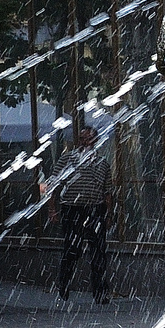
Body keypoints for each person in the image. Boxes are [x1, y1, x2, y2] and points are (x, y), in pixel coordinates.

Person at [47, 125, 111, 305]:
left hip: (94, 208)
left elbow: (107, 191)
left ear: (96, 140)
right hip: (72, 208)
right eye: (83, 139)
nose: (86, 143)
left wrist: (108, 214)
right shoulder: (68, 158)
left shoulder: (102, 162)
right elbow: (52, 184)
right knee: (71, 249)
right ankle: (64, 285)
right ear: (78, 141)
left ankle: (100, 292)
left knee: (98, 251)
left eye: (89, 139)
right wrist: (52, 209)